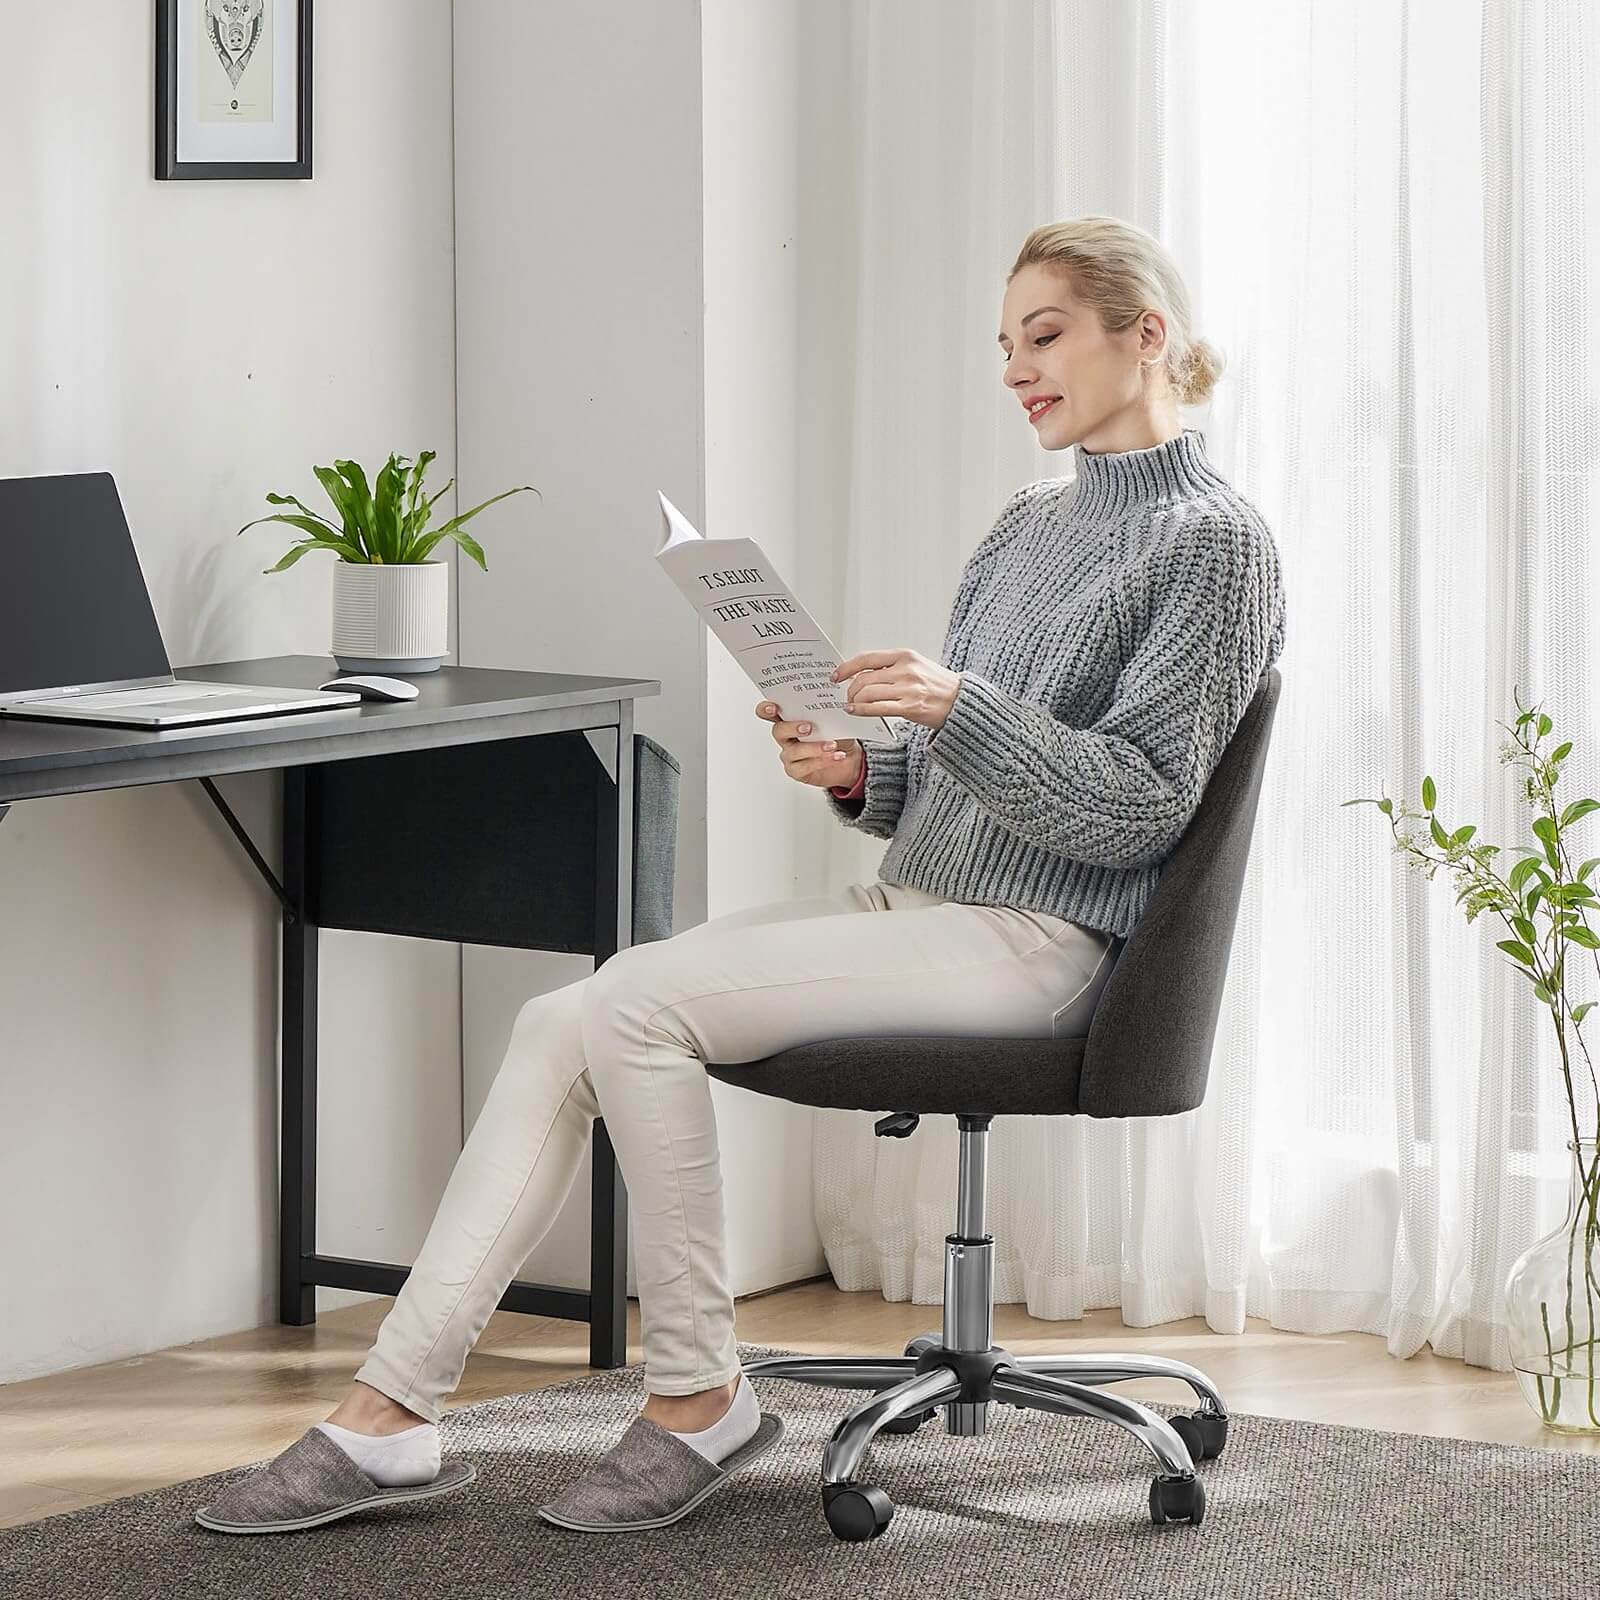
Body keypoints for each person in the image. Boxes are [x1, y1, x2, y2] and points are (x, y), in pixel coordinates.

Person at [194, 214, 1286, 1535]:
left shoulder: (1215, 544)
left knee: (633, 1004)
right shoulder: (1021, 530)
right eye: (1005, 347)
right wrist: (858, 770)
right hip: (931, 910)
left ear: (1145, 332)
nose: (1016, 370)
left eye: (1043, 337)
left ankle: (696, 1397)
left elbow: (1139, 810)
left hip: (1052, 945)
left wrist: (958, 706)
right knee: (566, 1019)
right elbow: (956, 789)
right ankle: (388, 1416)